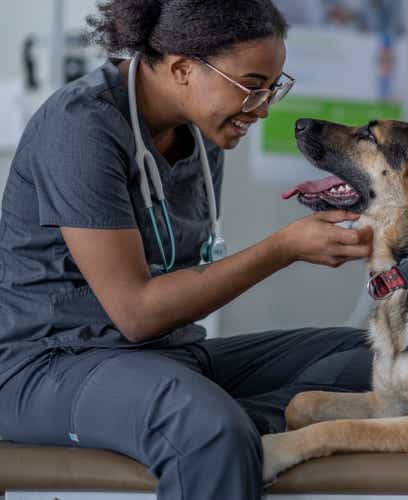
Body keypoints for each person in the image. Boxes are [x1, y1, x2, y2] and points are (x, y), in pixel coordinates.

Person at [0, 1, 374, 499]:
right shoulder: (81, 128)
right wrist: (283, 248)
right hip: (50, 367)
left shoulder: (201, 137)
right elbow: (136, 313)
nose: (264, 107)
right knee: (206, 429)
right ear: (182, 69)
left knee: (377, 356)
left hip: (168, 360)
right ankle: (210, 427)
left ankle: (221, 423)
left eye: (273, 87)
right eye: (252, 84)